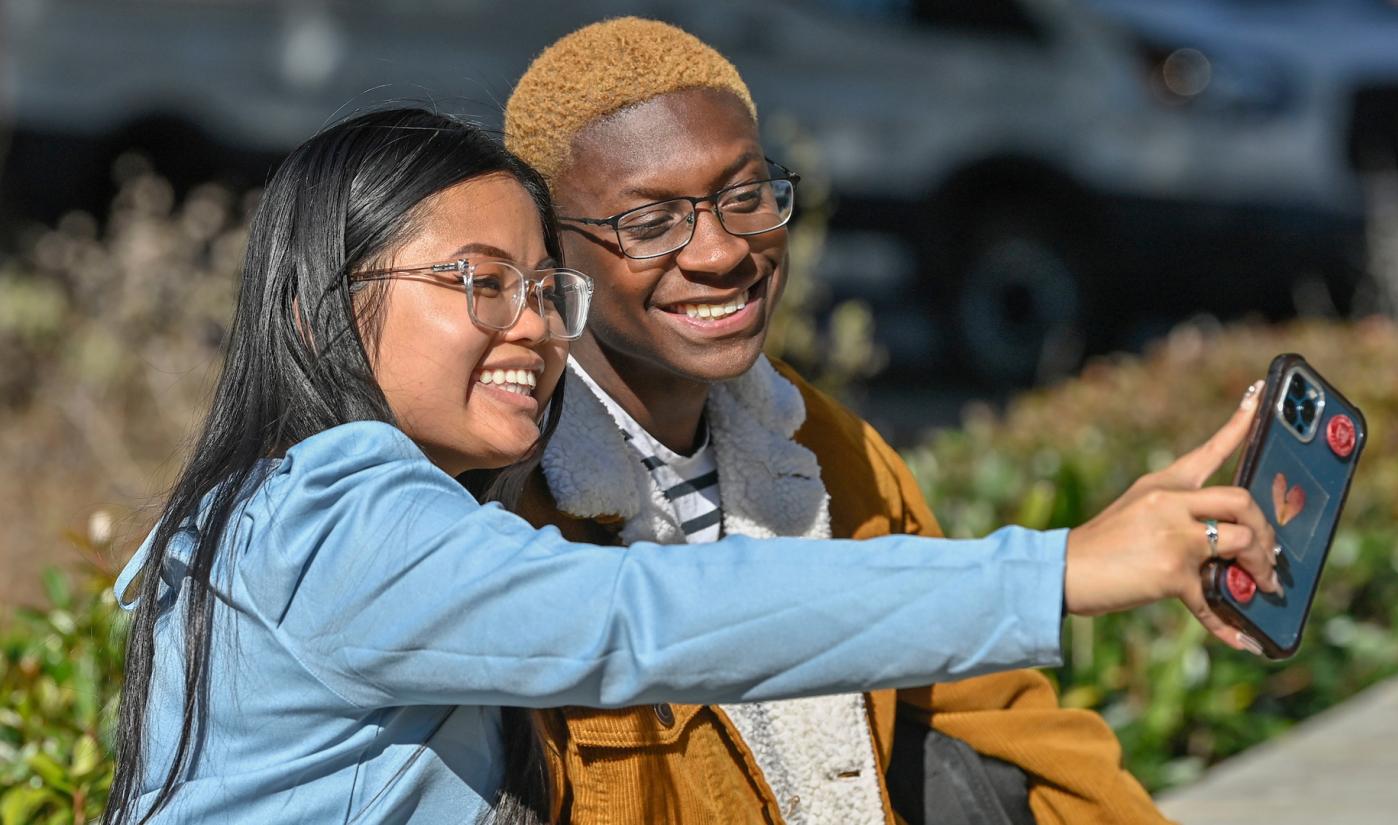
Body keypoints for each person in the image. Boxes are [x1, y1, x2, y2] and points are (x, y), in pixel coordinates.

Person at [105, 107, 1274, 825]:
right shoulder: (334, 516)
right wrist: (1057, 569)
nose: (530, 328)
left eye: (536, 287)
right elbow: (641, 620)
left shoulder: (294, 510)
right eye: (476, 283)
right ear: (318, 315)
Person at [501, 17, 1279, 825]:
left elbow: (1007, 714)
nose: (722, 252)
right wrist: (1064, 568)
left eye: (745, 196)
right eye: (650, 223)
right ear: (552, 255)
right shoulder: (506, 509)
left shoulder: (825, 449)